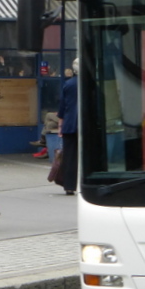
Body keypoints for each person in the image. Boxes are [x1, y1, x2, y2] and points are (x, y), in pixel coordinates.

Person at [58, 58, 79, 195]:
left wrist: (61, 124)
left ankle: (69, 185)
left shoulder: (68, 84)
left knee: (70, 156)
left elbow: (62, 106)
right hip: (87, 125)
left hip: (70, 123)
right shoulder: (91, 83)